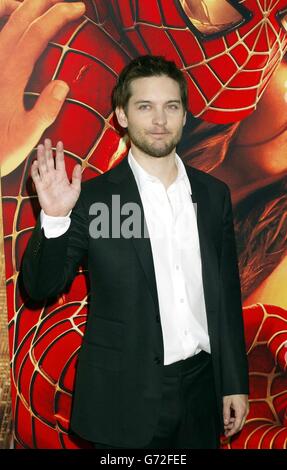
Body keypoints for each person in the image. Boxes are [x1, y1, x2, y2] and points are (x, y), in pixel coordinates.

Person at [22, 54, 249, 449]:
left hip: (201, 392)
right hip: (122, 398)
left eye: (171, 107)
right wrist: (56, 218)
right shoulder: (94, 200)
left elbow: (227, 297)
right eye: (145, 106)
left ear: (183, 116)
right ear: (122, 116)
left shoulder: (214, 196)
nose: (159, 120)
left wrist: (234, 382)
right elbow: (39, 287)